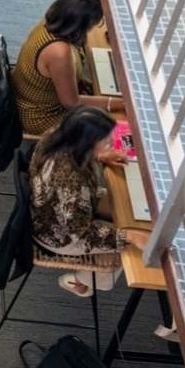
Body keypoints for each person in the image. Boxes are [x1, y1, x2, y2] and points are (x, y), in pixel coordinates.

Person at [29, 106, 144, 296]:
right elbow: (80, 233)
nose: (110, 144)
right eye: (105, 142)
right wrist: (129, 237)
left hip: (50, 210)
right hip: (59, 235)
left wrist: (100, 155)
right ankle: (82, 282)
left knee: (127, 212)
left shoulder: (57, 135)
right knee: (128, 243)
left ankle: (86, 279)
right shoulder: (70, 183)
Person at [11, 0, 119, 139]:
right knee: (106, 131)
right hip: (40, 116)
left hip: (27, 97)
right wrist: (120, 104)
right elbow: (72, 103)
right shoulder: (59, 52)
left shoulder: (51, 23)